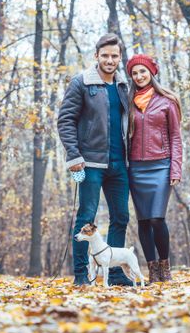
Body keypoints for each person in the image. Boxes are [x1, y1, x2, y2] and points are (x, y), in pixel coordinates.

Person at [57, 33, 133, 286]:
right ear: (96, 56)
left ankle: (116, 274)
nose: (110, 60)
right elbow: (65, 120)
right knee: (86, 217)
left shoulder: (123, 85)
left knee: (121, 216)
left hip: (119, 164)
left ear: (120, 57)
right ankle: (81, 275)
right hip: (89, 163)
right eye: (105, 55)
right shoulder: (81, 83)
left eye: (114, 55)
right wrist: (74, 155)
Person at [126, 54, 182, 283]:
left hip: (161, 165)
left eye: (143, 71)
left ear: (151, 72)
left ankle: (165, 266)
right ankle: (152, 269)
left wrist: (175, 169)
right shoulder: (127, 102)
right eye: (135, 73)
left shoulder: (167, 101)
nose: (139, 76)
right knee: (143, 221)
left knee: (157, 218)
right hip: (136, 168)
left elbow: (176, 137)